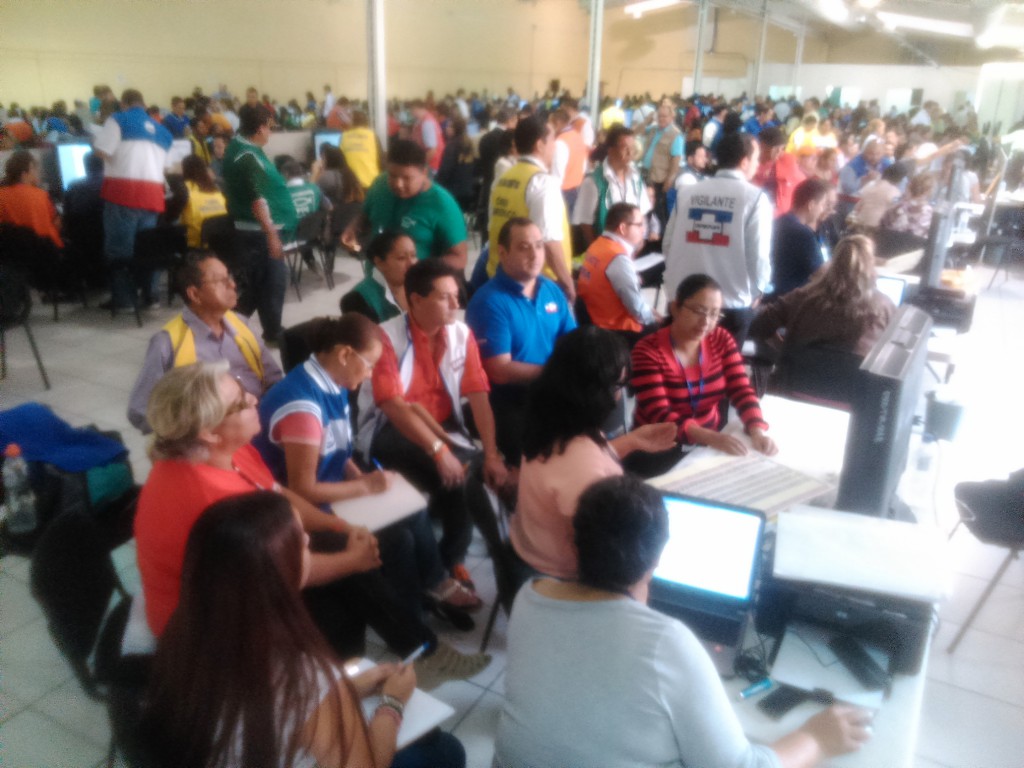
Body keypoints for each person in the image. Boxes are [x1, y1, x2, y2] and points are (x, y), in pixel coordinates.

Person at [135, 361, 486, 685]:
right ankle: (356, 679)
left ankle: (410, 654)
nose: (255, 398)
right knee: (344, 596)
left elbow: (280, 496)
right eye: (241, 402)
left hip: (249, 577)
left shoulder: (228, 450)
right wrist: (352, 560)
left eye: (244, 388)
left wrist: (338, 527)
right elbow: (282, 574)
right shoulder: (212, 501)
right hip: (215, 627)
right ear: (210, 432)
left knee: (374, 546)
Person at [495, 474, 873, 768]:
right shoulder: (665, 643)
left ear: (571, 542)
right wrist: (817, 739)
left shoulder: (529, 597)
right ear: (657, 558)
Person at [140, 491, 466, 768]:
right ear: (279, 576)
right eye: (299, 540)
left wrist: (349, 688)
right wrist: (393, 702)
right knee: (446, 751)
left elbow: (277, 714)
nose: (308, 539)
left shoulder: (183, 631)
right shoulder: (299, 673)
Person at [256, 313, 489, 623]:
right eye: (368, 365)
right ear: (344, 354)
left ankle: (433, 587)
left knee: (412, 507)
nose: (369, 376)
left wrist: (359, 476)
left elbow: (336, 450)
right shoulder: (303, 408)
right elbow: (302, 489)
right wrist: (365, 487)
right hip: (298, 510)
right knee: (398, 539)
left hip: (330, 488)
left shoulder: (332, 381)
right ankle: (412, 618)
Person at [356, 258, 509, 590]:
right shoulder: (386, 337)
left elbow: (478, 394)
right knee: (462, 472)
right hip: (391, 429)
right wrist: (439, 450)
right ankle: (444, 573)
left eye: (456, 295)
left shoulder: (460, 333)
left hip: (441, 424)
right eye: (444, 297)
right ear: (416, 300)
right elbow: (392, 405)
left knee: (475, 468)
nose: (456, 304)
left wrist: (492, 453)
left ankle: (451, 560)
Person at [512, 328, 675, 581]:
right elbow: (606, 551)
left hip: (533, 552)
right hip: (564, 576)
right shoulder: (582, 465)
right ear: (595, 392)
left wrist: (632, 441)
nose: (620, 397)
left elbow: (579, 463)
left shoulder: (551, 423)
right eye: (618, 385)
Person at [629, 274, 776, 477]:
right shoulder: (647, 351)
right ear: (675, 307)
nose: (706, 322)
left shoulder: (720, 339)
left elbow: (741, 388)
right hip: (658, 447)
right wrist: (709, 437)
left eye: (714, 314)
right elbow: (660, 413)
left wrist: (756, 429)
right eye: (698, 311)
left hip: (706, 446)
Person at [127, 251, 282, 433]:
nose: (232, 284)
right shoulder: (167, 344)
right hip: (210, 438)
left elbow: (273, 381)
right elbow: (140, 411)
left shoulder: (241, 324)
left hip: (258, 424)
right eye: (221, 281)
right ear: (194, 294)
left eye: (229, 277)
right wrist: (194, 430)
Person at [466, 217, 576, 466]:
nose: (535, 255)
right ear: (503, 253)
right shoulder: (490, 301)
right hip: (511, 402)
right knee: (542, 463)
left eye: (539, 246)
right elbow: (499, 370)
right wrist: (557, 373)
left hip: (552, 391)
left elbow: (571, 340)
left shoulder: (550, 289)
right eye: (524, 247)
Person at [663, 132, 772, 348]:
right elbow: (758, 255)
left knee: (679, 362)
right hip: (730, 305)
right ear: (744, 162)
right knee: (722, 367)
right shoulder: (755, 198)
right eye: (756, 159)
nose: (758, 165)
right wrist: (758, 290)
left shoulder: (688, 193)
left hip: (683, 300)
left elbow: (668, 245)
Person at [223, 103, 298, 345]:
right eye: (270, 128)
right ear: (260, 128)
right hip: (260, 232)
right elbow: (257, 200)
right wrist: (271, 234)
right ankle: (265, 332)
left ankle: (240, 327)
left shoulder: (247, 149)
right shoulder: (247, 157)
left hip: (259, 231)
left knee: (260, 285)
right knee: (272, 284)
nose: (271, 133)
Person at [751, 234, 896, 358]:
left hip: (795, 377)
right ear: (871, 268)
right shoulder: (884, 307)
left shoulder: (802, 296)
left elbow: (758, 324)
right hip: (852, 381)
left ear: (833, 262)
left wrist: (781, 347)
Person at [92, 88, 172, 311]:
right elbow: (165, 168)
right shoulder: (163, 131)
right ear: (144, 105)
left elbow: (102, 151)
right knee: (147, 249)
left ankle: (125, 300)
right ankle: (151, 296)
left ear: (123, 104)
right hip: (153, 197)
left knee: (120, 251)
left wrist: (96, 139)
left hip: (123, 194)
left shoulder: (117, 119)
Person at [342, 140, 467, 271]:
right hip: (375, 275)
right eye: (392, 176)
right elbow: (366, 214)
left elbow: (459, 258)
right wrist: (353, 229)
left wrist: (419, 266)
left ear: (424, 173)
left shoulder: (443, 204)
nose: (398, 184)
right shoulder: (379, 184)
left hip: (418, 279)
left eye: (407, 178)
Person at [487, 115, 575, 302]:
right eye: (552, 140)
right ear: (539, 145)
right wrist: (568, 284)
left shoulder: (504, 178)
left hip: (502, 275)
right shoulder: (542, 183)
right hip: (538, 284)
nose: (555, 147)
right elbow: (549, 241)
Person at [577, 202, 659, 341]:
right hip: (617, 329)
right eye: (639, 225)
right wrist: (654, 319)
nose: (644, 230)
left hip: (594, 318)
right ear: (623, 228)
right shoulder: (618, 258)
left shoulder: (598, 245)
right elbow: (636, 308)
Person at [573, 124, 652, 247]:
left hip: (632, 249)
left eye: (632, 148)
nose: (630, 153)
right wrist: (598, 249)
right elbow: (585, 222)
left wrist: (641, 242)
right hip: (606, 249)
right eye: (624, 148)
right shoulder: (593, 182)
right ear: (610, 150)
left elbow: (643, 213)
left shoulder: (636, 179)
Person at [770, 177, 832, 297]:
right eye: (823, 205)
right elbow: (823, 273)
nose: (823, 210)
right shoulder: (804, 235)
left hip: (771, 295)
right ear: (811, 205)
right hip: (792, 300)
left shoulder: (777, 223)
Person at [340, 230, 417, 322]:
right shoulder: (357, 300)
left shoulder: (422, 287)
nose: (412, 263)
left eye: (413, 256)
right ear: (379, 262)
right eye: (401, 258)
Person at [0, 150, 63, 248]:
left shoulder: (2, 195)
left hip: (13, 252)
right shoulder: (41, 195)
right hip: (46, 250)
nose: (39, 174)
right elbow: (55, 222)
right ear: (27, 171)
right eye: (36, 169)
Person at [641, 103, 684, 231]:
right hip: (646, 174)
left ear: (671, 117)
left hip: (660, 179)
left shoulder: (676, 135)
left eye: (665, 116)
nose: (661, 119)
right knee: (645, 209)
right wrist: (647, 120)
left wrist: (669, 181)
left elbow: (676, 160)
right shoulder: (653, 129)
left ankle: (659, 238)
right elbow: (635, 132)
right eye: (659, 116)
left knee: (657, 213)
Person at [178, 154, 227, 248]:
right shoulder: (217, 191)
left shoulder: (184, 189)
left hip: (194, 243)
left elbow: (172, 214)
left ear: (185, 170)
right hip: (218, 244)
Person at [880, 171, 936, 239]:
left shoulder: (897, 205)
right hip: (912, 244)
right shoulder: (929, 213)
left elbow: (883, 223)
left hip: (887, 241)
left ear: (910, 186)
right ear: (929, 191)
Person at [340, 110, 384, 192]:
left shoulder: (344, 136)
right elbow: (381, 160)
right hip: (371, 183)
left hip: (350, 185)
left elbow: (340, 160)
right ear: (367, 123)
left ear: (352, 123)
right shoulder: (372, 136)